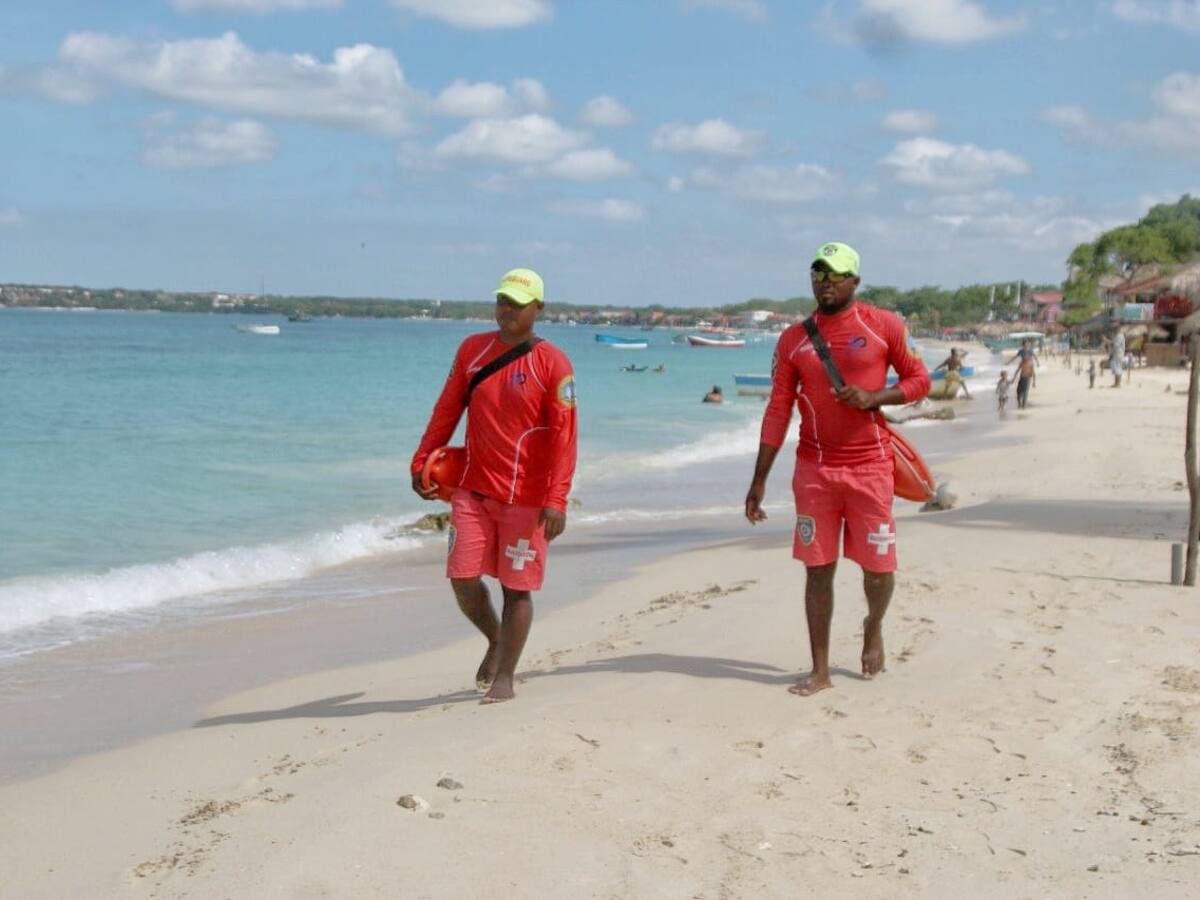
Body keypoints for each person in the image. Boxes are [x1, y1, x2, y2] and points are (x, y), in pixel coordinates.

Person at [744, 241, 930, 697]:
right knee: (817, 570)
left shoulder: (884, 326)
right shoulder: (793, 339)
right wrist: (759, 479)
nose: (825, 282)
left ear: (855, 281)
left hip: (871, 466)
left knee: (878, 569)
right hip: (815, 470)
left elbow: (920, 380)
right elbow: (778, 409)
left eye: (834, 274)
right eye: (818, 274)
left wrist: (875, 398)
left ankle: (873, 625)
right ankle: (820, 670)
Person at [411, 268, 577, 704]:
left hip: (527, 498)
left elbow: (565, 437)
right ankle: (497, 637)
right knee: (462, 578)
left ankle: (505, 677)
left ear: (538, 309)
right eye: (502, 300)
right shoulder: (472, 350)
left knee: (516, 588)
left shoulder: (553, 363)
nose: (507, 310)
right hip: (472, 489)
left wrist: (557, 498)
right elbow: (447, 409)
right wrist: (422, 460)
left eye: (518, 304)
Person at [1007, 339, 1038, 409]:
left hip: (1028, 377)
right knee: (1018, 391)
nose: (1026, 356)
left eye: (1028, 343)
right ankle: (1020, 403)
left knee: (1025, 391)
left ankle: (1024, 405)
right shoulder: (1021, 354)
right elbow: (1017, 368)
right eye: (1026, 344)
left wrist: (1034, 382)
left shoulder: (1031, 357)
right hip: (1022, 377)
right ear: (1023, 344)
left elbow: (1034, 372)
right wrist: (1013, 378)